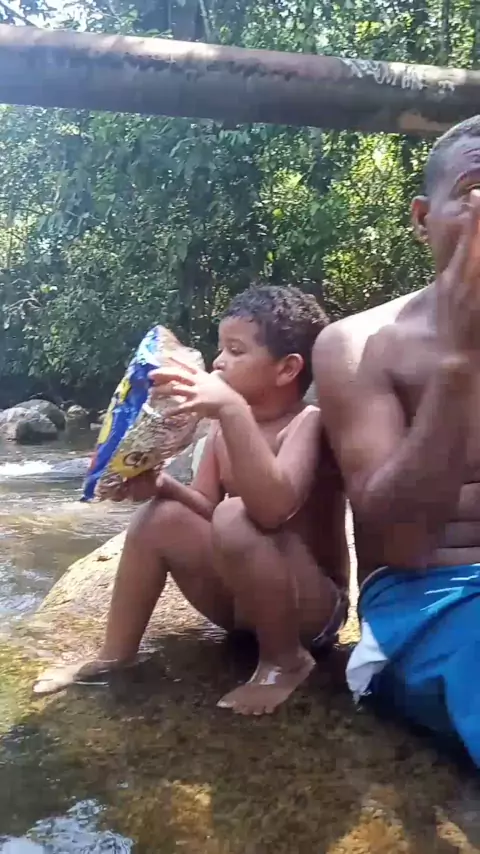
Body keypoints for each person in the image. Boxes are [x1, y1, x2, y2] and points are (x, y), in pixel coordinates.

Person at [35, 285, 349, 715]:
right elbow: (205, 506)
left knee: (237, 514)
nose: (218, 361)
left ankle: (285, 662)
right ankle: (116, 653)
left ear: (287, 369)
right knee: (160, 517)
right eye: (221, 348)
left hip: (310, 612)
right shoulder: (221, 429)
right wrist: (162, 485)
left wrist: (232, 410)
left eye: (235, 350)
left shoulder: (307, 423)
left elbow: (274, 510)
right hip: (243, 608)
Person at [313, 115, 480, 765]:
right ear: (421, 218)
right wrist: (459, 360)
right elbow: (405, 544)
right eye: (475, 192)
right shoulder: (358, 345)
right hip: (432, 600)